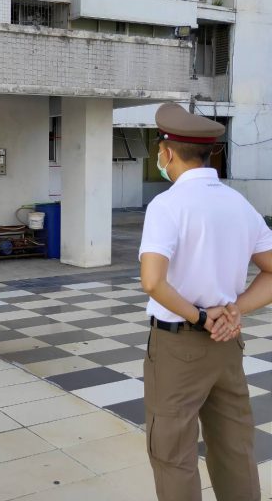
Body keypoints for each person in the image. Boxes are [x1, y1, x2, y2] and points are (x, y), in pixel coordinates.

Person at [139, 103, 272, 501]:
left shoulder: (167, 205)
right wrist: (235, 310)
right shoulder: (238, 203)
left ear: (167, 153)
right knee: (235, 450)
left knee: (173, 454)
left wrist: (200, 316)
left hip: (179, 345)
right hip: (227, 344)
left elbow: (153, 281)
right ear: (208, 151)